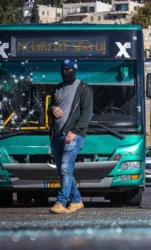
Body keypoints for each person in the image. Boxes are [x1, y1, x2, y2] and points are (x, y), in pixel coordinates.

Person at [48, 59, 93, 214]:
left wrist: (74, 131)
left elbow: (87, 114)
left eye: (69, 70)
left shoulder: (84, 88)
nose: (66, 73)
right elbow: (49, 108)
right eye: (63, 70)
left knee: (66, 169)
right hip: (57, 135)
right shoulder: (57, 89)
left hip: (74, 135)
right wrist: (52, 108)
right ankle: (76, 201)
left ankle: (60, 202)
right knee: (63, 170)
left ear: (74, 70)